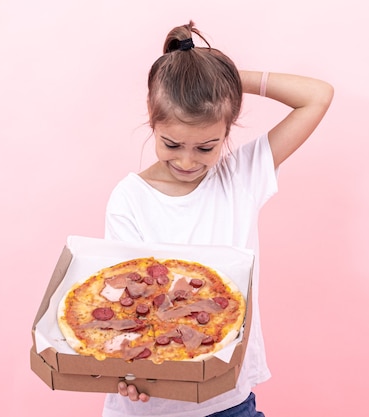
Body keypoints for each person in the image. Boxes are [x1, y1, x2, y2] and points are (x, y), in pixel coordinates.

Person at [102, 21, 333, 417]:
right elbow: (123, 304)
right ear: (151, 120)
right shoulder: (129, 199)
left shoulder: (240, 178)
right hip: (149, 404)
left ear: (227, 131)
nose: (187, 161)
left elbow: (317, 96)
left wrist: (221, 80)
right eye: (171, 144)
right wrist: (119, 372)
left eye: (206, 147)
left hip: (228, 400)